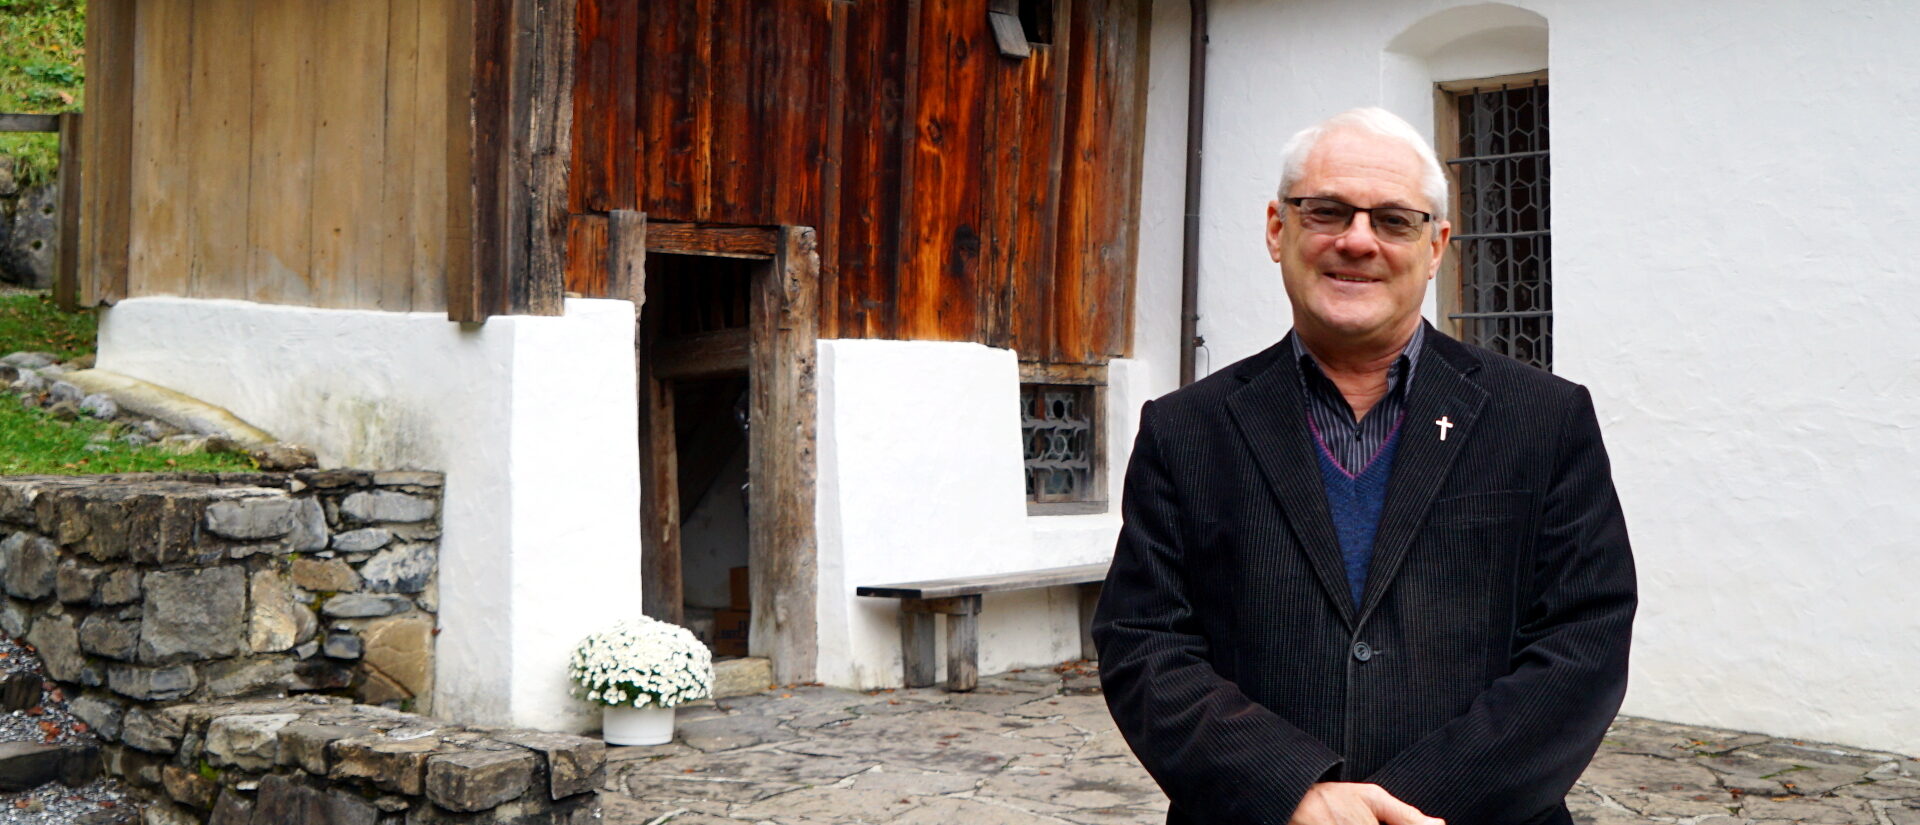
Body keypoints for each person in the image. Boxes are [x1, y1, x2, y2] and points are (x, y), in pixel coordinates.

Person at [1092, 107, 1636, 825]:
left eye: (1393, 220)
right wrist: (1293, 790)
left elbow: (1582, 642)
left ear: (1437, 245)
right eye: (1327, 211)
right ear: (1276, 228)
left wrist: (1410, 807)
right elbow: (1144, 644)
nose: (1357, 240)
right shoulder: (1186, 430)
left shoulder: (1543, 419)